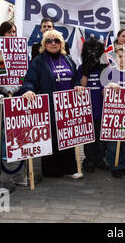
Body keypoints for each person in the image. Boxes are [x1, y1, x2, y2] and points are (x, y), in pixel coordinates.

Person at [20, 30, 82, 179]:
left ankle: (70, 169)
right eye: (49, 41)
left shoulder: (68, 59)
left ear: (61, 43)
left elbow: (75, 79)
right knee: (52, 138)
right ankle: (52, 171)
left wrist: (78, 85)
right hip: (49, 106)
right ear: (44, 44)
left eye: (56, 40)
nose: (53, 43)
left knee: (67, 137)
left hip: (67, 107)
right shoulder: (39, 61)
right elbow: (30, 80)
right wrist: (28, 90)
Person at [101, 44, 125, 178]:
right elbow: (103, 92)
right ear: (115, 57)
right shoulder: (109, 71)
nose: (122, 59)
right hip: (113, 116)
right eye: (120, 56)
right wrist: (110, 85)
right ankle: (114, 165)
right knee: (113, 144)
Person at [78, 37, 109, 173]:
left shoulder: (105, 68)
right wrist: (85, 70)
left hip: (101, 107)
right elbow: (82, 85)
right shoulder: (81, 67)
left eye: (95, 50)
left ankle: (100, 159)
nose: (93, 53)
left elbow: (106, 89)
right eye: (90, 50)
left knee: (101, 137)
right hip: (87, 108)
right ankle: (89, 160)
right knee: (89, 137)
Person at [0, 21, 21, 159]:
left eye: (14, 32)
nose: (12, 35)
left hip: (17, 92)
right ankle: (3, 153)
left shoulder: (20, 49)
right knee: (3, 125)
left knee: (15, 123)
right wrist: (5, 89)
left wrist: (16, 87)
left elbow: (24, 74)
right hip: (2, 93)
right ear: (2, 33)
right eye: (9, 32)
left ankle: (15, 150)